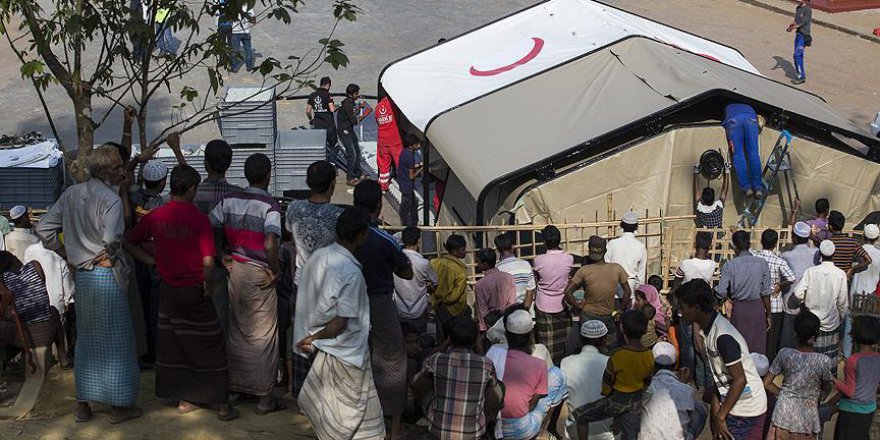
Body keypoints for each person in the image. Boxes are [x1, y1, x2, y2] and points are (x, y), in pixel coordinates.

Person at [34, 144, 142, 424]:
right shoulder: (111, 200)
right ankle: (119, 407)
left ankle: (83, 405)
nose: (122, 171)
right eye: (118, 167)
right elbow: (112, 241)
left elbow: (43, 228)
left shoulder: (71, 194)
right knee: (117, 342)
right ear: (106, 171)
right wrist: (106, 256)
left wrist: (65, 254)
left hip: (82, 278)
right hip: (106, 277)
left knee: (86, 340)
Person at [125, 165, 236, 421]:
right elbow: (208, 260)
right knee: (211, 343)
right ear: (191, 189)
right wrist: (209, 285)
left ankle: (185, 398)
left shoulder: (156, 216)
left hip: (169, 290)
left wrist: (150, 261)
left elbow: (129, 241)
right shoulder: (199, 219)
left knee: (176, 343)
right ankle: (221, 403)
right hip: (195, 290)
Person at [296, 206, 386, 440]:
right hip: (347, 351)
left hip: (328, 347)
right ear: (361, 235)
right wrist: (314, 337)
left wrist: (310, 335)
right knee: (349, 418)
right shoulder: (351, 273)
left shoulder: (319, 257)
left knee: (334, 412)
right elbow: (340, 322)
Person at [209, 153, 285, 415]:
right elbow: (270, 243)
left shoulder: (229, 200)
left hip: (237, 270)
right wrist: (275, 270)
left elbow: (209, 226)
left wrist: (221, 255)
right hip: (260, 271)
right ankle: (264, 399)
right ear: (268, 176)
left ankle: (236, 387)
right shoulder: (270, 206)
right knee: (264, 335)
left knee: (239, 331)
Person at [352, 179, 414, 439]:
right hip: (379, 302)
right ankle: (394, 428)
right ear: (378, 206)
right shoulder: (385, 240)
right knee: (392, 360)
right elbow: (406, 272)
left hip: (348, 302)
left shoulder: (342, 234)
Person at [676, 279, 767, 440]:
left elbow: (740, 379)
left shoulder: (722, 336)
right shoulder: (709, 330)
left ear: (696, 308)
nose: (680, 312)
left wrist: (720, 417)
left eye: (682, 307)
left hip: (745, 408)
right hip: (734, 403)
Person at [413, 315, 501, 440]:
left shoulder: (437, 360)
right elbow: (490, 373)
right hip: (472, 432)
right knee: (498, 388)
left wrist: (446, 342)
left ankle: (427, 415)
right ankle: (484, 423)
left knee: (422, 379)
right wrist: (478, 344)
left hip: (439, 430)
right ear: (475, 340)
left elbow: (418, 377)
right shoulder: (485, 364)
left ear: (450, 340)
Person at [572, 310, 653, 440]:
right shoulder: (649, 355)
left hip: (616, 400)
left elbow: (608, 380)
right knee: (630, 434)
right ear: (644, 331)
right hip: (635, 401)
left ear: (622, 329)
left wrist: (606, 393)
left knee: (581, 416)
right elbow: (648, 380)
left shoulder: (618, 355)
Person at [493, 308, 568, 440]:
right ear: (531, 334)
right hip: (522, 429)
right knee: (557, 374)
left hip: (496, 427)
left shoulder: (493, 351)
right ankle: (543, 433)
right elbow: (534, 401)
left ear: (507, 333)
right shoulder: (539, 354)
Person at [762, 310, 835, 440]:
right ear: (816, 335)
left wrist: (784, 393)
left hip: (782, 416)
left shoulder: (784, 354)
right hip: (807, 421)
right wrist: (816, 397)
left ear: (795, 333)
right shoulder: (823, 361)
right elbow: (826, 388)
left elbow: (766, 383)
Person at [0, 252, 69, 369]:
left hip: (28, 338)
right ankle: (63, 357)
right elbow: (40, 295)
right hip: (49, 332)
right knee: (53, 310)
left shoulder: (3, 280)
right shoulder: (35, 266)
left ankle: (8, 362)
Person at [564, 235, 632, 342]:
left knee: (588, 344)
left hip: (587, 315)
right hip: (607, 315)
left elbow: (568, 291)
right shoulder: (616, 269)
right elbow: (627, 291)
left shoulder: (584, 271)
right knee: (610, 344)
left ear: (589, 250)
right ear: (605, 251)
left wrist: (578, 306)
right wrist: (621, 309)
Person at [715, 230, 772, 355]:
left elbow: (721, 292)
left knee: (740, 349)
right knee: (757, 349)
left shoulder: (729, 266)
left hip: (739, 310)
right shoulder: (762, 263)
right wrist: (768, 314)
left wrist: (725, 295)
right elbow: (766, 293)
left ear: (734, 246)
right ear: (749, 244)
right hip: (757, 310)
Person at [792, 240, 848, 361]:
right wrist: (842, 317)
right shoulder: (840, 274)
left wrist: (801, 305)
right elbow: (843, 303)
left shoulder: (811, 272)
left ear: (821, 254)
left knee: (810, 358)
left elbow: (797, 293)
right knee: (829, 358)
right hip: (831, 323)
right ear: (834, 254)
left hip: (811, 322)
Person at [640, 341, 707, 440]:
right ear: (675, 365)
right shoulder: (687, 390)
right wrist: (683, 384)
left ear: (653, 364)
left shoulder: (645, 387)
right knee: (701, 408)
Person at [561, 320, 614, 440]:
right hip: (605, 434)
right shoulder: (610, 363)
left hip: (574, 432)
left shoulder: (565, 363)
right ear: (604, 340)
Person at [833, 315, 880, 440]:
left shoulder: (852, 360)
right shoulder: (878, 358)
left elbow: (849, 391)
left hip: (850, 412)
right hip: (869, 411)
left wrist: (833, 380)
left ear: (853, 335)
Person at [751, 229, 795, 361]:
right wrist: (780, 285)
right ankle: (769, 366)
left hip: (757, 304)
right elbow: (791, 278)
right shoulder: (779, 261)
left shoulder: (755, 257)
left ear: (761, 241)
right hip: (775, 306)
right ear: (775, 244)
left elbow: (745, 248)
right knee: (771, 342)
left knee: (756, 339)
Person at [533, 225, 574, 365]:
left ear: (544, 242)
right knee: (564, 340)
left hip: (543, 304)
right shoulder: (569, 259)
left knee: (547, 343)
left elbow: (536, 278)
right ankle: (564, 365)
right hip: (563, 302)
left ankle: (549, 368)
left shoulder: (538, 260)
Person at [779, 222, 817, 350]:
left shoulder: (785, 256)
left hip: (790, 302)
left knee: (789, 341)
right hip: (809, 302)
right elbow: (826, 247)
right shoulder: (816, 253)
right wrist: (814, 237)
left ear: (794, 237)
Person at [393, 226, 438, 334]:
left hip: (398, 309)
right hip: (419, 311)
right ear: (418, 241)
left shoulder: (395, 259)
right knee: (419, 339)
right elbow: (435, 281)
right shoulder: (423, 263)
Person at [431, 234, 471, 339]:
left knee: (441, 336)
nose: (465, 251)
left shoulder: (436, 263)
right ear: (454, 252)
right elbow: (455, 295)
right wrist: (445, 300)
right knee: (455, 337)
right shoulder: (460, 272)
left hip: (438, 305)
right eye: (463, 249)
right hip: (454, 308)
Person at [723, 103, 763, 198]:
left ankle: (747, 188)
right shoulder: (748, 106)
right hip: (750, 119)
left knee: (738, 154)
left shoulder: (728, 107)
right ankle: (758, 188)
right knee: (753, 153)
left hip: (734, 120)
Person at [605, 211, 647, 299]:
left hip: (614, 288)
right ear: (637, 227)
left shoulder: (612, 244)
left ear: (621, 225)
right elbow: (641, 274)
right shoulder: (640, 247)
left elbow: (606, 267)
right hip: (631, 289)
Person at [474, 248, 517, 332]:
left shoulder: (480, 284)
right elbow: (511, 303)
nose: (477, 264)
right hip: (507, 322)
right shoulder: (509, 278)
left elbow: (482, 310)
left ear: (485, 264)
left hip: (490, 325)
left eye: (478, 262)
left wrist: (483, 328)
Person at [337, 83, 373, 186]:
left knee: (357, 151)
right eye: (356, 94)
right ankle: (350, 177)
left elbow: (352, 113)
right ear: (350, 94)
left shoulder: (350, 103)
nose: (358, 95)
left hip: (348, 129)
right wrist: (366, 113)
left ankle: (357, 173)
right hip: (344, 131)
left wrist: (359, 107)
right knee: (352, 154)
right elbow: (354, 121)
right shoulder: (347, 105)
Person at [494, 233, 537, 310]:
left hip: (506, 311)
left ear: (497, 250)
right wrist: (525, 311)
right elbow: (530, 292)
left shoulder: (497, 270)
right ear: (513, 247)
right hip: (524, 311)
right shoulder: (526, 265)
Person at [827, 210, 872, 276]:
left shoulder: (827, 243)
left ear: (830, 227)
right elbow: (868, 260)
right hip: (845, 279)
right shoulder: (853, 242)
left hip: (830, 278)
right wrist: (852, 268)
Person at [375, 94, 404, 191]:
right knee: (400, 163)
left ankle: (383, 185)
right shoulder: (394, 105)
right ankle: (403, 185)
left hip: (382, 140)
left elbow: (377, 120)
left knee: (383, 163)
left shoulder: (378, 106)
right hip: (395, 139)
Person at [306, 76, 339, 157]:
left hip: (318, 125)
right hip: (329, 125)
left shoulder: (312, 95)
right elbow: (332, 109)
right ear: (328, 85)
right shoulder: (328, 95)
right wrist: (338, 106)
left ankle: (321, 160)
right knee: (335, 146)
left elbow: (308, 111)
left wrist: (311, 119)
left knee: (321, 146)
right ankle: (331, 162)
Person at [397, 134, 423, 227]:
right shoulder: (410, 156)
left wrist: (419, 165)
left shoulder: (404, 152)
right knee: (406, 206)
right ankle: (405, 224)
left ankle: (414, 222)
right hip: (407, 185)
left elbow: (409, 166)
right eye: (417, 144)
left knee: (413, 204)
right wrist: (422, 168)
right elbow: (412, 176)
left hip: (402, 182)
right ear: (411, 145)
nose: (419, 146)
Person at [693, 163, 730, 228]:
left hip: (705, 234)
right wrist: (727, 170)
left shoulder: (700, 207)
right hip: (718, 233)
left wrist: (696, 171)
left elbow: (696, 191)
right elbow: (725, 190)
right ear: (713, 198)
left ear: (702, 199)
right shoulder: (719, 205)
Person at [787, 0, 812, 85]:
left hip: (804, 36)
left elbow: (803, 23)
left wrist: (794, 27)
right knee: (798, 56)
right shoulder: (798, 8)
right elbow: (796, 21)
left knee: (797, 55)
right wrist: (791, 26)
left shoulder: (808, 10)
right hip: (798, 35)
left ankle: (801, 76)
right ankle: (800, 74)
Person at [229, 7, 255, 73]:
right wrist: (246, 20)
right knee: (248, 50)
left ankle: (234, 67)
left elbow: (230, 20)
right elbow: (254, 21)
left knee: (234, 50)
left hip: (235, 32)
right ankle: (249, 67)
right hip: (246, 32)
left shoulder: (233, 8)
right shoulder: (249, 9)